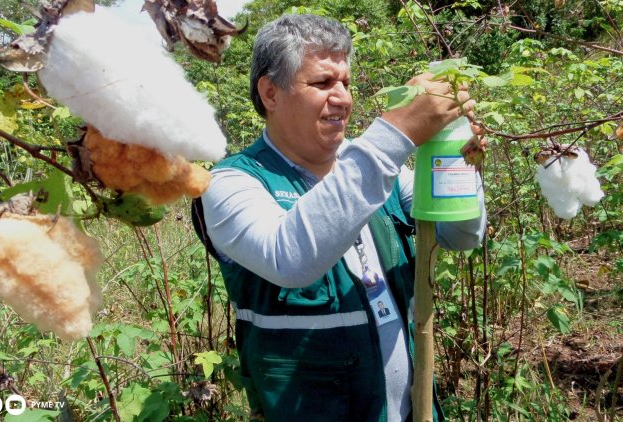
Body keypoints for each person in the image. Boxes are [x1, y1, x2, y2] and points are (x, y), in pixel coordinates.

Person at [192, 14, 486, 422]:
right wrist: (394, 134)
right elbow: (288, 258)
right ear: (270, 92)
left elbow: (461, 234)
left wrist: (454, 156)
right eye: (323, 83)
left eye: (346, 83)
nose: (344, 98)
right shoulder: (229, 183)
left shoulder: (377, 171)